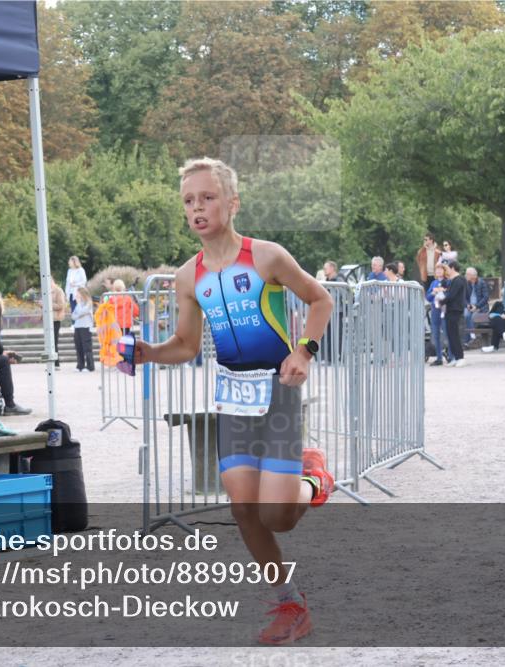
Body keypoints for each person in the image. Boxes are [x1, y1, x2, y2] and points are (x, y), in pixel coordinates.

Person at [131, 157, 334, 645]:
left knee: (277, 517)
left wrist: (304, 351)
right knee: (244, 507)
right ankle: (290, 604)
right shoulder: (187, 276)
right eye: (188, 201)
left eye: (207, 198)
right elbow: (184, 345)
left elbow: (320, 299)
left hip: (277, 393)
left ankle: (315, 479)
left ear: (232, 202)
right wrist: (148, 352)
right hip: (233, 399)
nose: (197, 208)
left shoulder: (266, 257)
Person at [439, 261, 467, 366]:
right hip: (450, 310)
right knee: (451, 334)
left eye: (448, 268)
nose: (447, 271)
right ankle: (455, 357)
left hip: (455, 310)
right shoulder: (454, 280)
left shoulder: (459, 280)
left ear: (453, 268)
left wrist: (441, 301)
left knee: (455, 334)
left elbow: (451, 295)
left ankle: (460, 357)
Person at [427, 264, 450, 366]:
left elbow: (450, 294)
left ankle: (450, 355)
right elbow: (428, 297)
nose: (439, 272)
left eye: (441, 270)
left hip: (445, 309)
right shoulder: (433, 283)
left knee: (446, 332)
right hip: (435, 309)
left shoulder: (448, 282)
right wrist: (433, 292)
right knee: (435, 333)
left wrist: (444, 291)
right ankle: (439, 357)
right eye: (437, 270)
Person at [72, 287, 96, 372]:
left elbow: (82, 312)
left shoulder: (88, 303)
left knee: (87, 347)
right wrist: (79, 313)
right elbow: (73, 316)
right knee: (78, 347)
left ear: (82, 293)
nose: (76, 295)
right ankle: (80, 365)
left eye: (78, 293)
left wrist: (79, 310)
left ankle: (90, 366)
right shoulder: (79, 303)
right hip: (77, 327)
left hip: (86, 327)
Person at [464, 267, 489, 345]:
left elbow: (486, 297)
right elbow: (464, 297)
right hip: (470, 306)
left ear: (473, 275)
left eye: (467, 274)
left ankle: (471, 338)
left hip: (480, 307)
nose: (465, 275)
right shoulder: (466, 283)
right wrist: (467, 305)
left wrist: (477, 307)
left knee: (473, 316)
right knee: (466, 315)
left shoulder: (482, 283)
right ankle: (472, 336)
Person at [50, 278, 67, 369]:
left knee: (54, 342)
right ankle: (51, 363)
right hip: (48, 320)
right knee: (49, 342)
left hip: (55, 319)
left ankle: (56, 363)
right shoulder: (46, 290)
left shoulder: (58, 291)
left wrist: (48, 304)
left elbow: (61, 305)